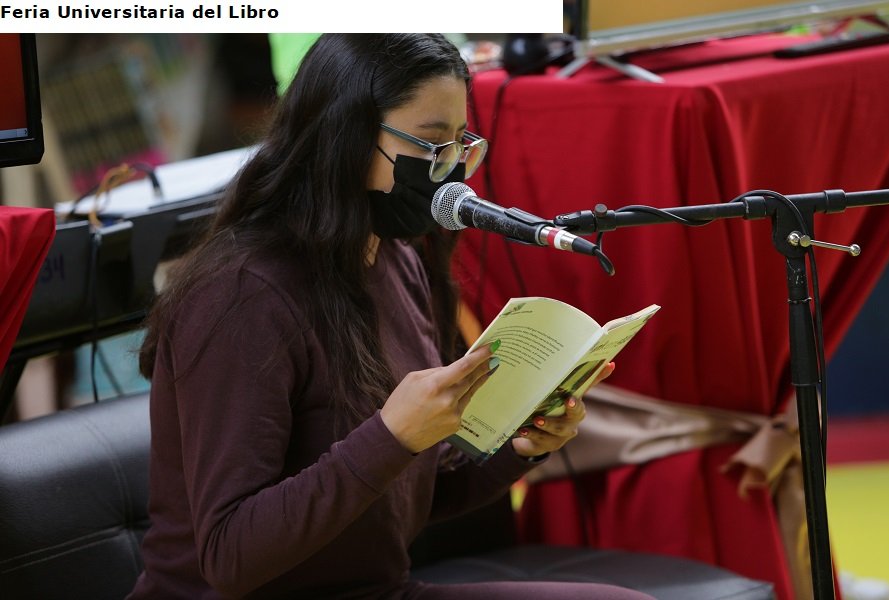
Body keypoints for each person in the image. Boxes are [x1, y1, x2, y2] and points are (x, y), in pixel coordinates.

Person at [128, 34, 651, 600]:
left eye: (459, 147)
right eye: (431, 147)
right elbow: (228, 557)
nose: (449, 173)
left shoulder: (395, 256)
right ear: (343, 137)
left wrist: (520, 445)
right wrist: (391, 435)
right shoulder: (241, 296)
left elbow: (414, 495)